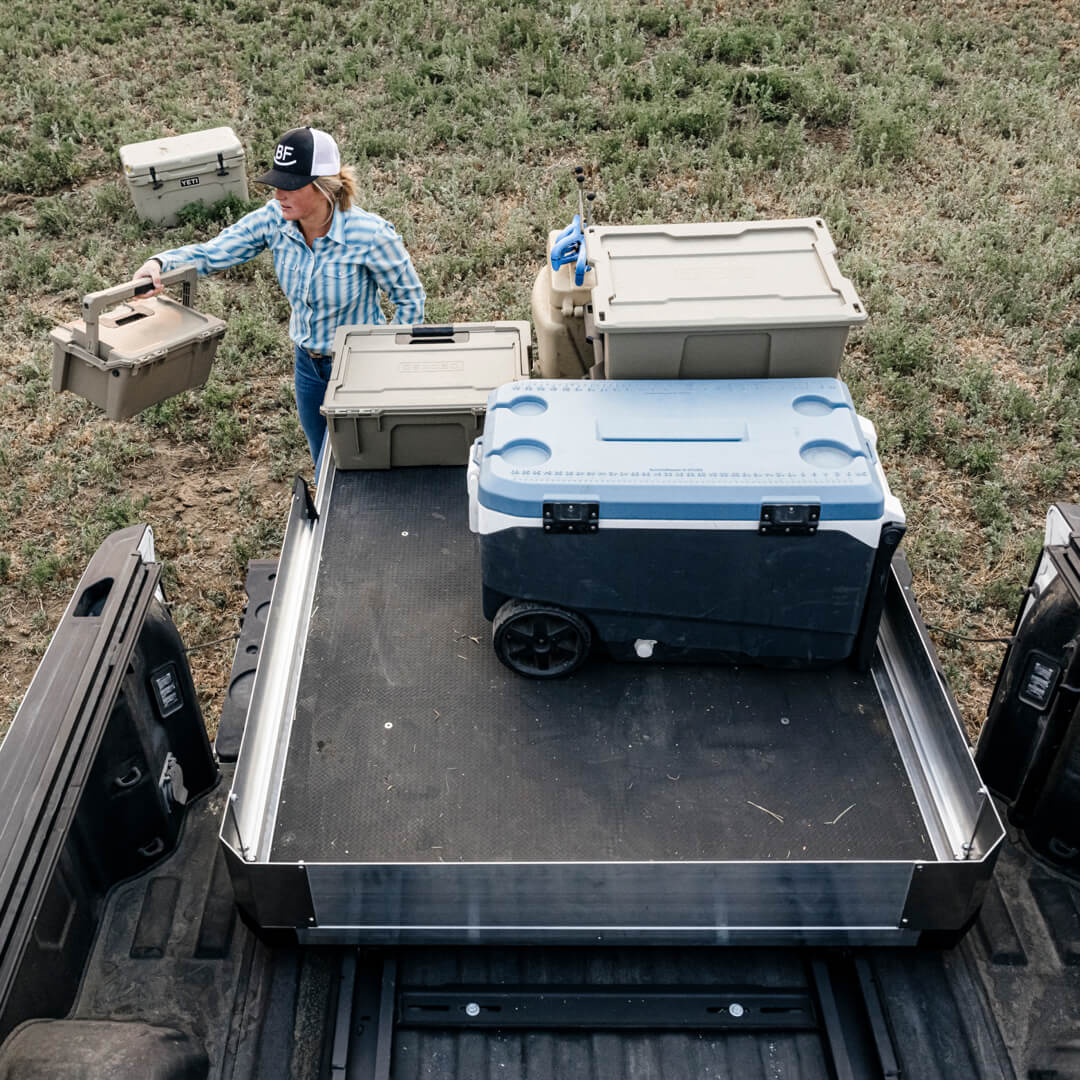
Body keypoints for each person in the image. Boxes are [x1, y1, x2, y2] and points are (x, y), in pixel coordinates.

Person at [134, 126, 425, 469]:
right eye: (275, 184)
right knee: (322, 455)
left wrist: (390, 361)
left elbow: (410, 299)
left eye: (289, 186)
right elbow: (216, 252)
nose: (277, 194)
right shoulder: (275, 221)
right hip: (308, 364)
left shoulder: (370, 235)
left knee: (364, 455)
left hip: (359, 364)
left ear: (323, 186)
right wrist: (160, 263)